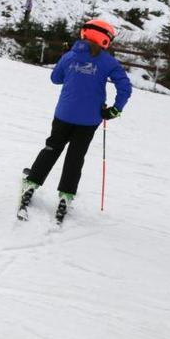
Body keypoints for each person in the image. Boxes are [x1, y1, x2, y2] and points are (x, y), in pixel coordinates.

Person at [20, 19, 132, 223]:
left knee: (52, 147)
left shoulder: (70, 55)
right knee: (76, 156)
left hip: (64, 113)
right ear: (106, 40)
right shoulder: (109, 62)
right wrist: (115, 110)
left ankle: (32, 182)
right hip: (89, 119)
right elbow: (125, 87)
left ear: (84, 34)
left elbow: (55, 78)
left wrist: (72, 69)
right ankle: (66, 195)